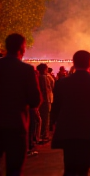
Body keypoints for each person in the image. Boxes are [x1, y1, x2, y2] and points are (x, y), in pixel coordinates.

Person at [50, 50, 90, 176]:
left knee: (69, 167)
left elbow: (56, 107)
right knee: (84, 168)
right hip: (87, 130)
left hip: (67, 129)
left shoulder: (62, 83)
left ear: (74, 63)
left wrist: (53, 124)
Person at [0, 33, 41, 176]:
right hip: (16, 125)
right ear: (21, 49)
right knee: (14, 169)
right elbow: (35, 100)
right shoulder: (26, 70)